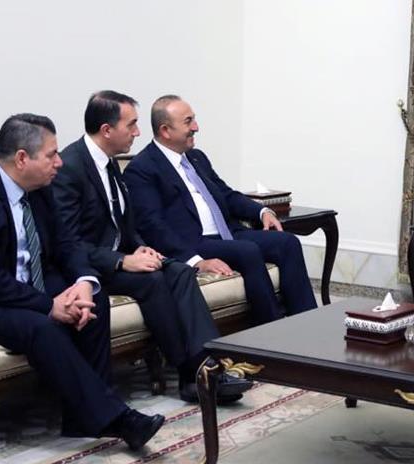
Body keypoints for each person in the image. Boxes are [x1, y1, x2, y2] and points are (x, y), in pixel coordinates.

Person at [0, 114, 164, 449]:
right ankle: (118, 419)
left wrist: (83, 282)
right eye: (51, 155)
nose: (59, 162)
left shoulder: (39, 190)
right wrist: (49, 305)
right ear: (22, 158)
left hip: (22, 285)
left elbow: (67, 244)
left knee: (93, 301)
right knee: (42, 326)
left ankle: (83, 418)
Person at [54, 91, 251, 404]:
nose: (137, 132)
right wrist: (121, 261)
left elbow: (124, 224)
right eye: (131, 125)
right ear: (107, 130)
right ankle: (191, 373)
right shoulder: (71, 167)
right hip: (90, 267)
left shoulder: (109, 163)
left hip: (119, 257)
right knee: (154, 280)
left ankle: (207, 366)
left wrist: (141, 248)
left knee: (180, 271)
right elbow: (68, 242)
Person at [123, 95, 317, 325]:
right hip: (194, 241)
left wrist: (262, 212)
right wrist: (195, 261)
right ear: (165, 130)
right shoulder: (142, 169)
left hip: (228, 233)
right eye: (188, 121)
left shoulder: (196, 157)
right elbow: (152, 225)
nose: (196, 127)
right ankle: (270, 330)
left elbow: (226, 194)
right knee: (247, 251)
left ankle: (307, 323)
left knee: (287, 242)